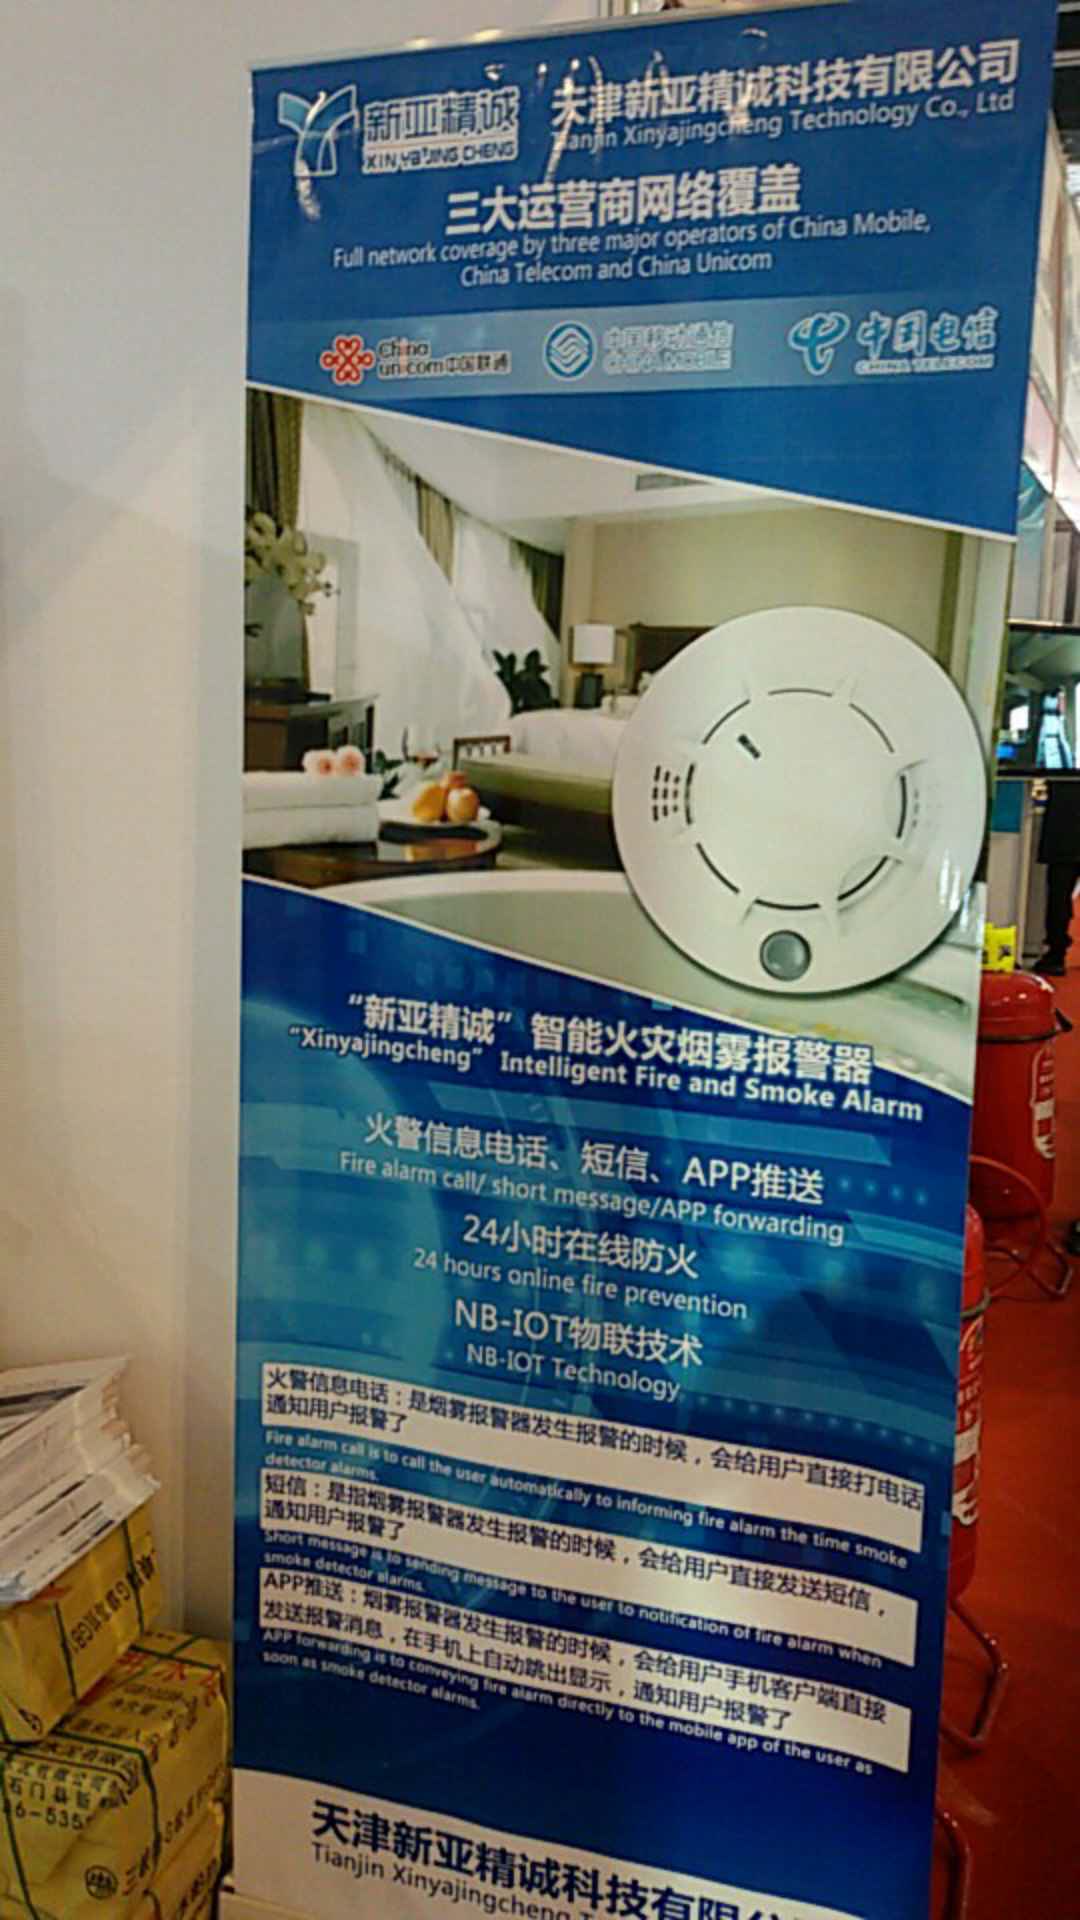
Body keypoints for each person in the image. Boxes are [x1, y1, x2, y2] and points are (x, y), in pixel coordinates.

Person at [1036, 776, 1080, 976]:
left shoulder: (1060, 764)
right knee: (1059, 897)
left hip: (1063, 830)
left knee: (1058, 896)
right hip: (1063, 829)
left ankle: (1056, 954)